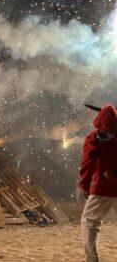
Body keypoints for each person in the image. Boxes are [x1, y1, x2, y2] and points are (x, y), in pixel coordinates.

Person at [80, 104, 117, 262]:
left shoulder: (94, 137)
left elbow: (88, 163)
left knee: (89, 223)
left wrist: (84, 185)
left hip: (104, 187)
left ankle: (91, 259)